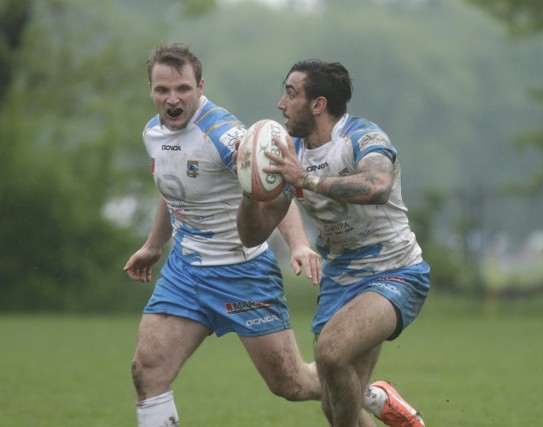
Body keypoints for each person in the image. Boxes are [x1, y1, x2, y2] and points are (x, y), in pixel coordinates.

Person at [125, 44, 423, 427]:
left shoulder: (226, 135)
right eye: (162, 90)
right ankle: (359, 390)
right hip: (187, 269)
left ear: (200, 86)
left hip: (245, 272)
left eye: (182, 88)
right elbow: (177, 189)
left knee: (296, 383)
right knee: (146, 370)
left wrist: (298, 241)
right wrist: (154, 245)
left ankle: (365, 393)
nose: (172, 99)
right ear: (150, 90)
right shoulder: (154, 132)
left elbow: (284, 187)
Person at [236, 59, 430, 427]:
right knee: (334, 404)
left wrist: (305, 180)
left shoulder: (363, 138)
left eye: (291, 94)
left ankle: (371, 394)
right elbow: (252, 234)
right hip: (341, 277)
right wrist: (249, 189)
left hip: (395, 271)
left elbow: (377, 187)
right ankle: (378, 397)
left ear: (318, 104)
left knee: (331, 353)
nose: (281, 104)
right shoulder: (291, 150)